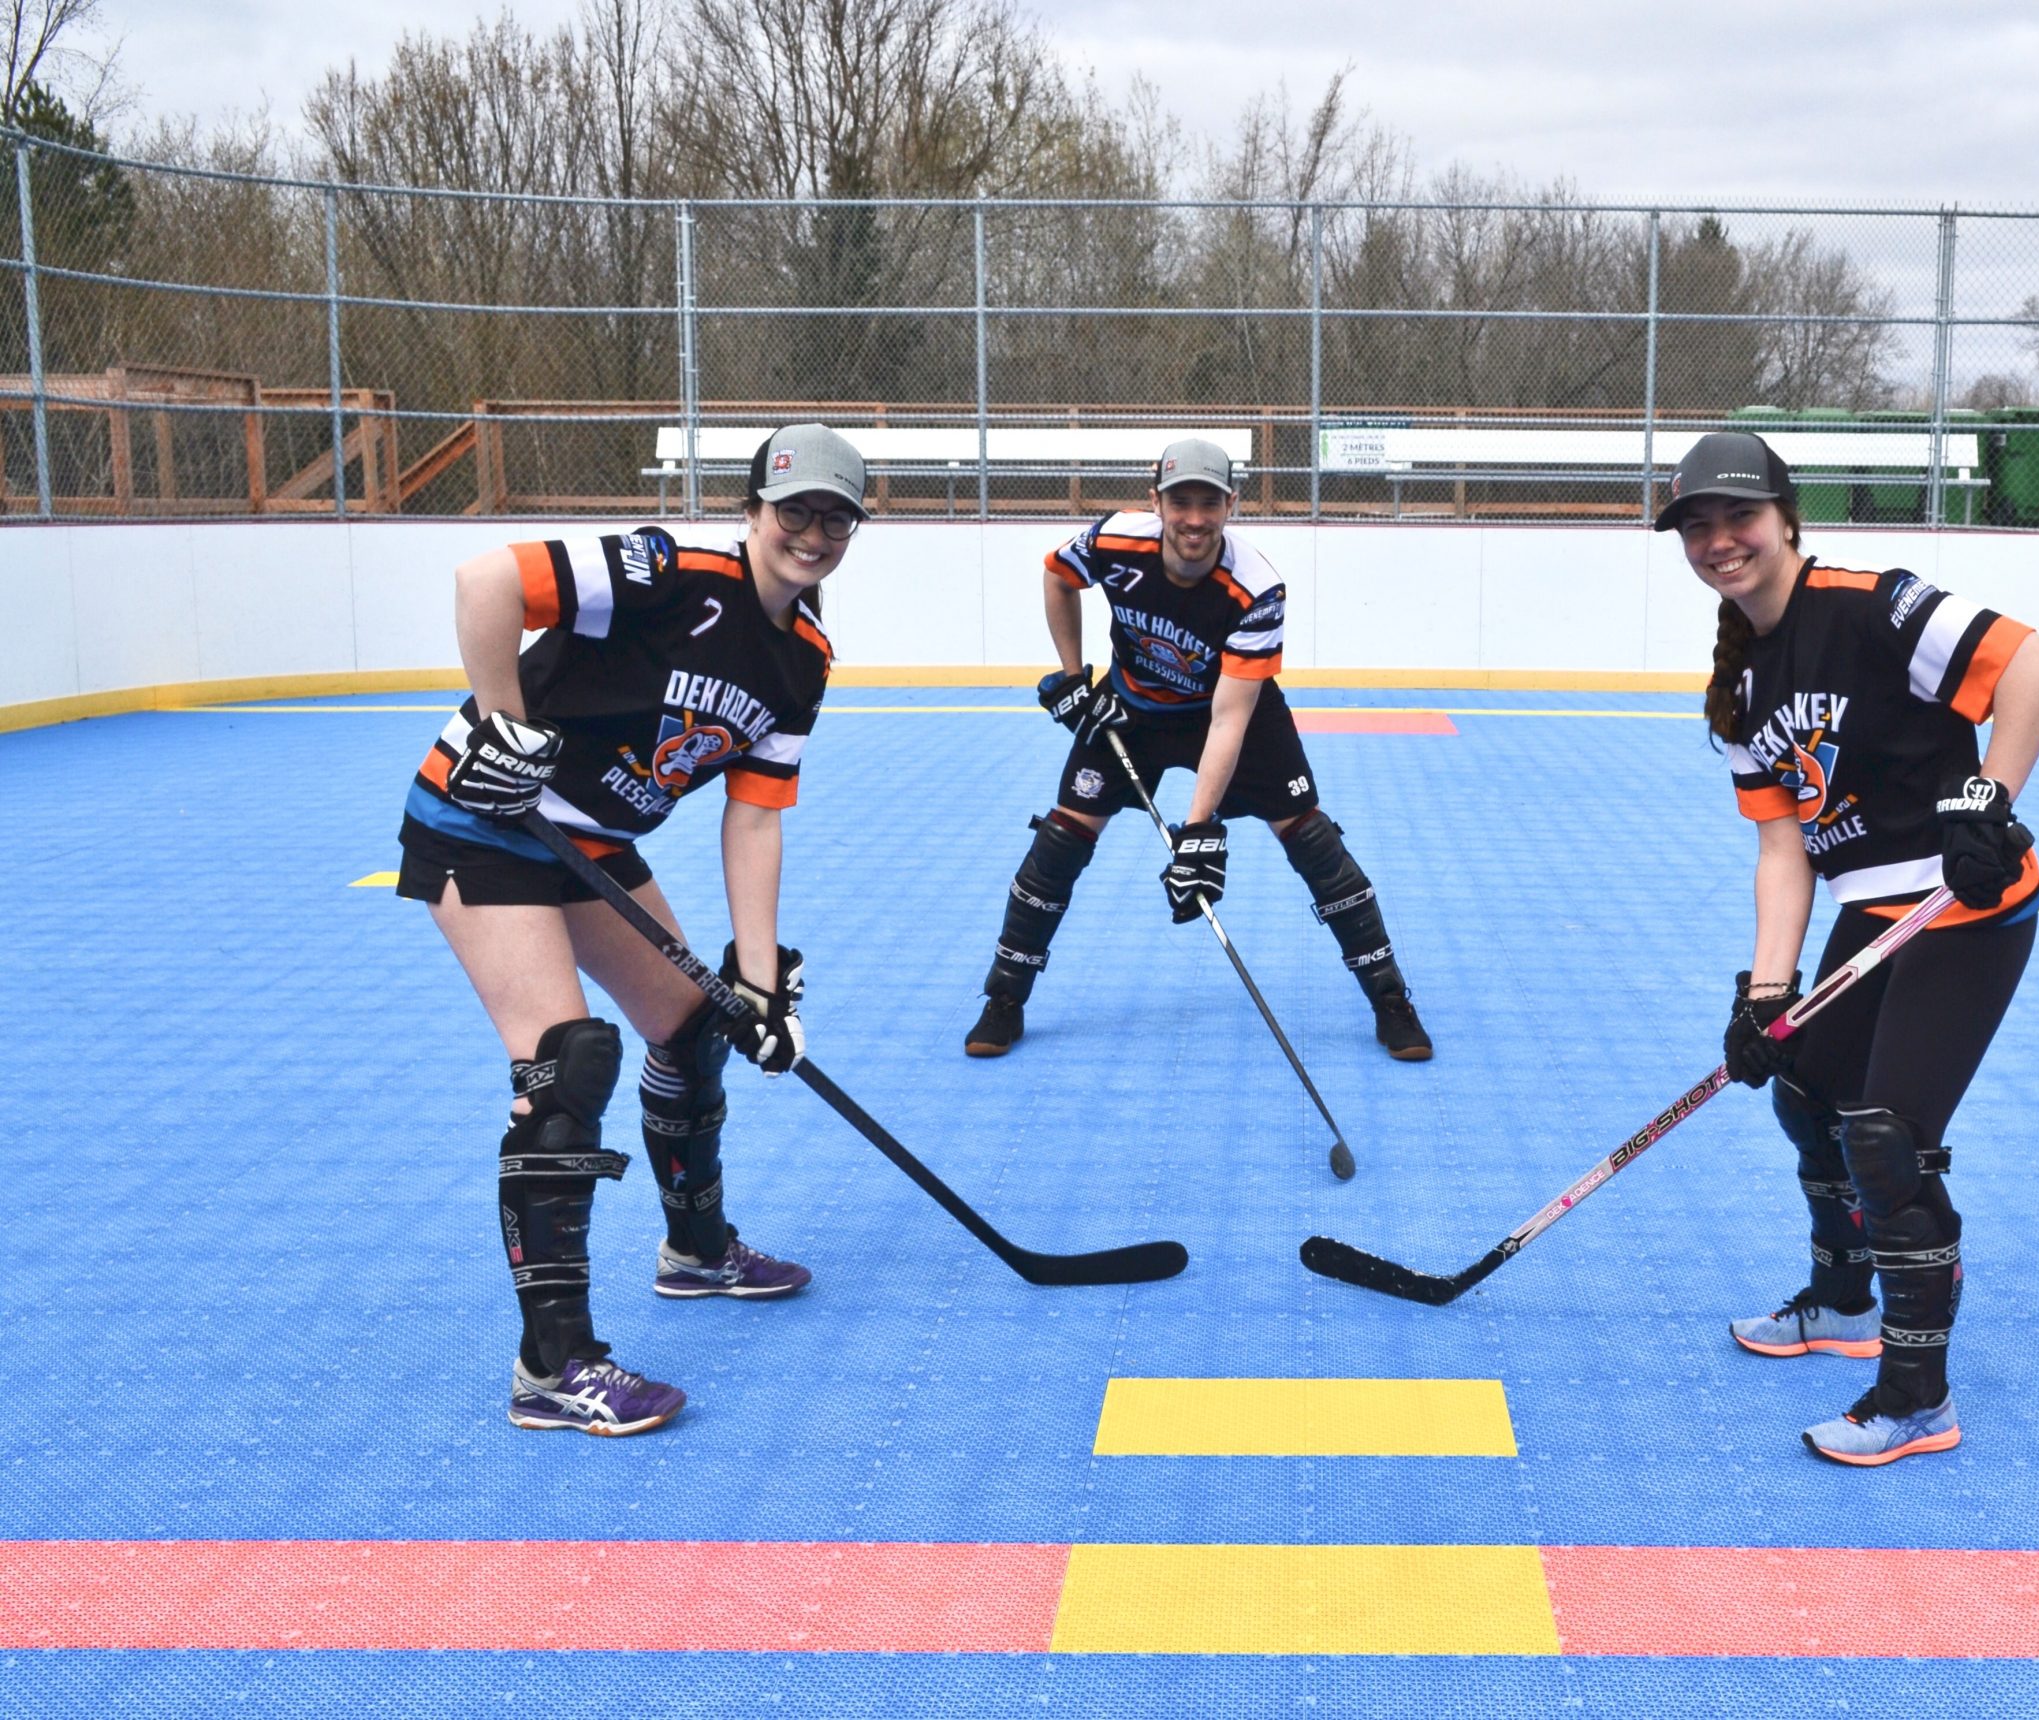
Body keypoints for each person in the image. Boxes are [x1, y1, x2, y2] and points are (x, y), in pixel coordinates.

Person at [395, 424, 864, 1436]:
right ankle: (551, 1364)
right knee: (568, 1069)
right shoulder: (669, 573)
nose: (813, 535)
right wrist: (504, 725)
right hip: (483, 826)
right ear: (755, 510)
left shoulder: (802, 661)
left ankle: (697, 1251)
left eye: (835, 517)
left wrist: (759, 981)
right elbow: (487, 581)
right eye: (795, 512)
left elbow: (753, 814)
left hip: (593, 845)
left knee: (696, 1026)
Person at [1660, 429, 2039, 1467]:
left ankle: (1916, 1395)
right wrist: (1764, 993)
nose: (1719, 541)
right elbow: (1783, 848)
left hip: (1962, 908)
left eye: (1736, 519)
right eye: (1697, 527)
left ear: (1784, 518)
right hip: (1872, 915)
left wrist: (1989, 800)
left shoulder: (1868, 602)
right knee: (1803, 1085)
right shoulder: (1746, 684)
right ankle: (1842, 1299)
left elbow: (2032, 663)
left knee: (1886, 1136)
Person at [962, 438, 1432, 1061]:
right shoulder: (1113, 540)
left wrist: (1198, 829)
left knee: (1311, 838)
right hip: (1133, 707)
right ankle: (1005, 999)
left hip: (1235, 711)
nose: (1193, 518)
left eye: (1208, 503)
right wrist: (1076, 676)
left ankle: (1390, 1000)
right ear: (1154, 501)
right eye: (1179, 501)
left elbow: (1229, 719)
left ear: (1230, 505)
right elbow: (1057, 575)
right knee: (1062, 838)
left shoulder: (1257, 588)